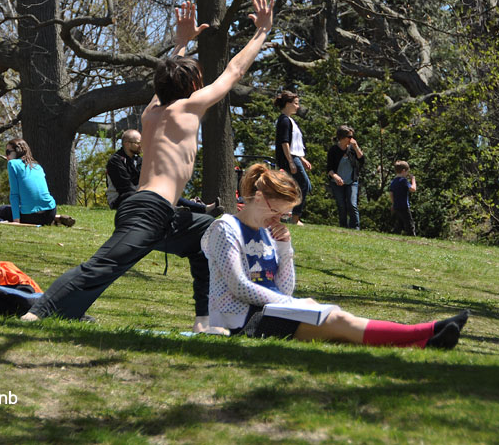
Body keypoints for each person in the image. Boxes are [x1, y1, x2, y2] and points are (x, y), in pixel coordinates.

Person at [21, 0, 276, 328]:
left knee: (209, 237)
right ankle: (36, 312)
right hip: (148, 210)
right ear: (191, 87)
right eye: (196, 81)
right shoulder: (188, 107)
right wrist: (262, 32)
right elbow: (234, 72)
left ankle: (205, 321)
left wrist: (181, 43)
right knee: (102, 265)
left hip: (161, 212)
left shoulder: (151, 113)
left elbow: (168, 76)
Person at [200, 163, 468, 348]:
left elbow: (284, 287)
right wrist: (293, 304)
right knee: (339, 322)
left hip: (272, 312)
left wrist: (285, 248)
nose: (278, 219)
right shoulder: (225, 228)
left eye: (283, 214)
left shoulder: (270, 233)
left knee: (341, 329)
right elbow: (238, 286)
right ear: (258, 197)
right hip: (242, 323)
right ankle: (429, 330)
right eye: (276, 211)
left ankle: (427, 341)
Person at [106, 129, 223, 216]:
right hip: (120, 198)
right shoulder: (115, 161)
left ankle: (204, 209)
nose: (141, 146)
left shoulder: (138, 160)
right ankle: (176, 210)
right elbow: (125, 187)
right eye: (138, 143)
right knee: (154, 193)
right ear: (127, 143)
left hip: (138, 193)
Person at [0, 138, 75, 227]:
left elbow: (14, 194)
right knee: (26, 207)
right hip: (50, 212)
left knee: (1, 210)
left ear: (17, 151)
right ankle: (55, 218)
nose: (7, 156)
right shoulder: (37, 166)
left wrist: (16, 221)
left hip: (30, 216)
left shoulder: (12, 164)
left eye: (8, 152)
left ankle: (53, 219)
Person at [274, 90, 311, 226]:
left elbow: (295, 145)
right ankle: (295, 217)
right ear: (288, 103)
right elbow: (285, 142)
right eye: (295, 103)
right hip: (289, 159)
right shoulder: (283, 120)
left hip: (295, 157)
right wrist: (291, 162)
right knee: (303, 184)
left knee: (303, 186)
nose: (298, 106)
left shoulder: (289, 120)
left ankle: (285, 212)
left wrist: (302, 159)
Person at [326, 125, 364, 229]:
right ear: (342, 137)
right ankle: (343, 227)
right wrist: (336, 177)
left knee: (352, 204)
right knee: (341, 206)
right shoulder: (333, 150)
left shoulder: (352, 149)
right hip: (337, 183)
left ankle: (356, 228)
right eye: (349, 136)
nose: (352, 139)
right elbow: (329, 169)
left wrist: (356, 147)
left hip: (351, 181)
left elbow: (361, 160)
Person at [389, 160, 416, 236]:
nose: (407, 174)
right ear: (404, 171)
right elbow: (413, 189)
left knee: (399, 224)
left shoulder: (393, 181)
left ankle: (395, 235)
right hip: (404, 206)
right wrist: (413, 180)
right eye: (407, 172)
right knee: (410, 224)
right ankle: (412, 237)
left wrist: (393, 203)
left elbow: (391, 193)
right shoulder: (403, 181)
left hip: (396, 206)